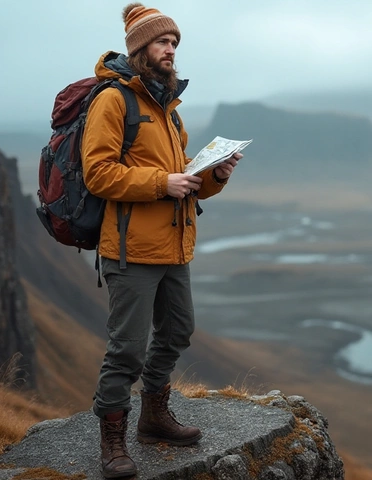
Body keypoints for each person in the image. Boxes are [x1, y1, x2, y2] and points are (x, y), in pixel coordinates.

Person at [81, 3, 241, 478]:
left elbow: (184, 180)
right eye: (162, 42)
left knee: (176, 333)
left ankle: (153, 418)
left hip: (174, 246)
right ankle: (113, 439)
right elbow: (98, 173)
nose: (171, 50)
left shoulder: (168, 109)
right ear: (140, 50)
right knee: (126, 348)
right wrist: (160, 183)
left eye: (174, 43)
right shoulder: (114, 100)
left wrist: (214, 176)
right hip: (130, 251)